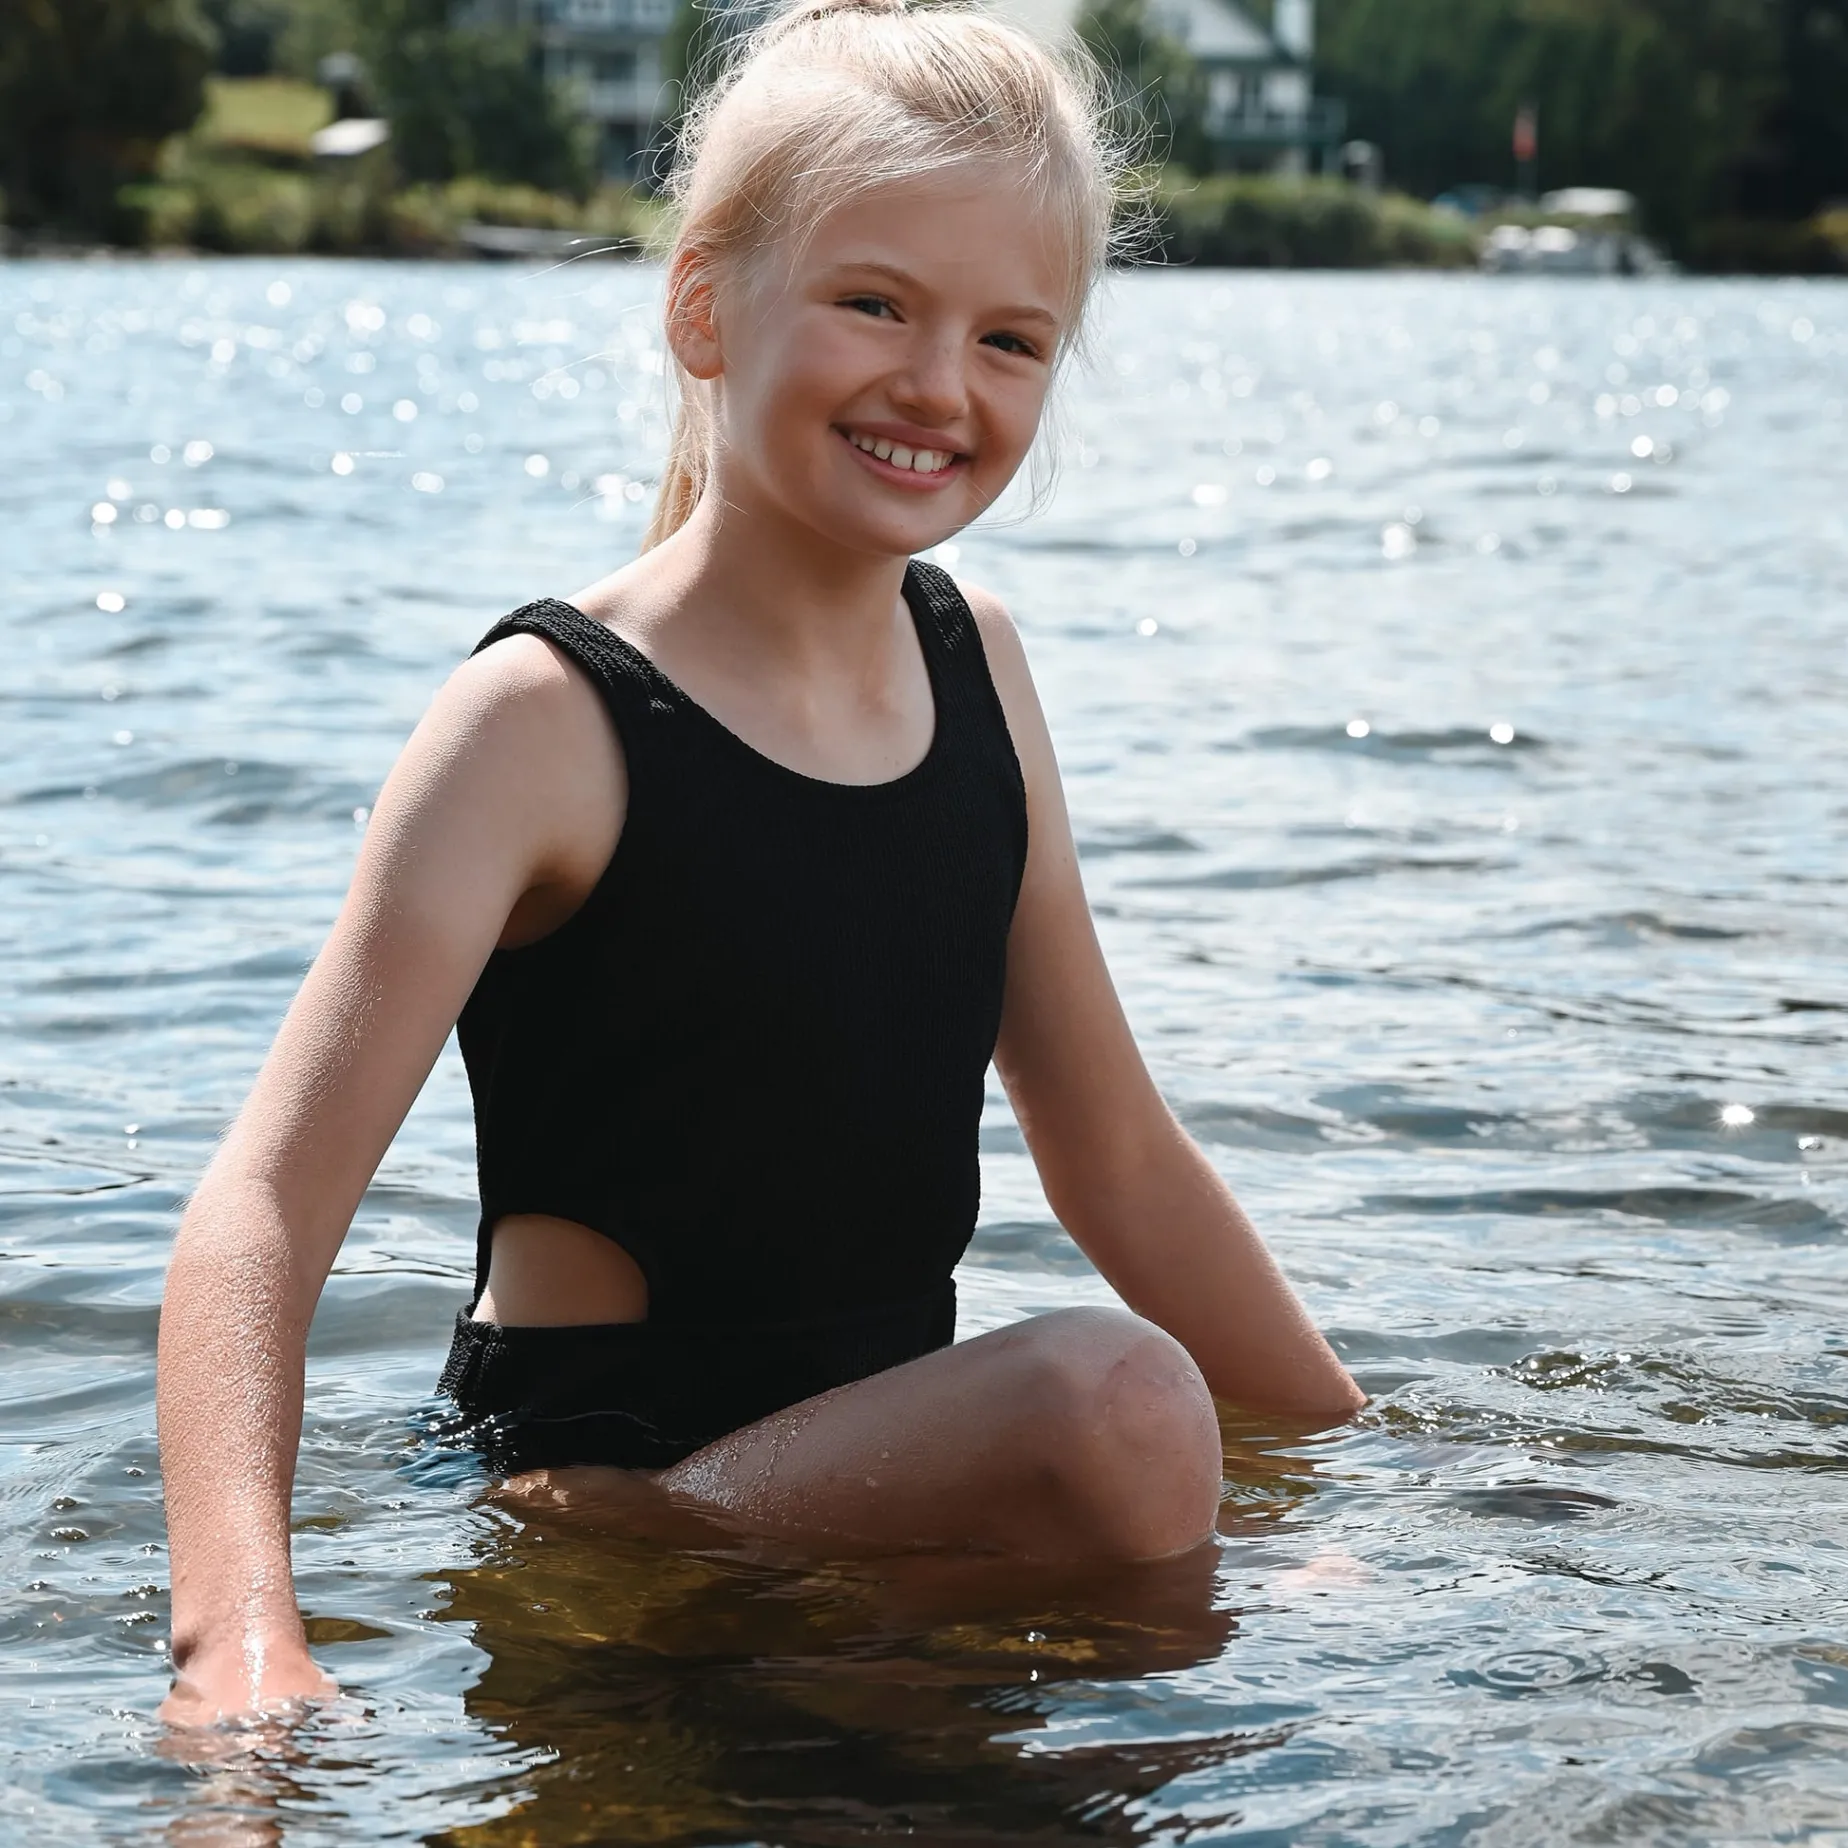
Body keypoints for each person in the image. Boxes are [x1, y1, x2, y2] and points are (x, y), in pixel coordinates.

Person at [155, 0, 1364, 1727]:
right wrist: (243, 1640)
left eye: (1010, 339)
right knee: (1115, 1409)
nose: (938, 385)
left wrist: (1366, 1477)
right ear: (705, 306)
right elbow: (263, 1210)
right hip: (610, 1514)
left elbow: (1119, 1157)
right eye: (876, 303)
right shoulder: (543, 721)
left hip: (852, 1491)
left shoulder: (976, 667)